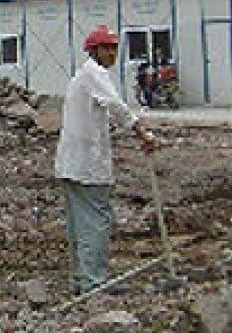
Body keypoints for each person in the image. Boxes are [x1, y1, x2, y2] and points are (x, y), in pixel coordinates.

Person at [55, 25, 156, 295]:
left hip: (73, 163)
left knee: (80, 225)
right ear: (94, 51)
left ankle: (81, 280)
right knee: (95, 223)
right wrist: (141, 133)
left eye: (114, 48)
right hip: (86, 164)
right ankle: (93, 283)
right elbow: (116, 106)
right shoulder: (94, 74)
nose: (112, 53)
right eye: (107, 48)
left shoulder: (84, 76)